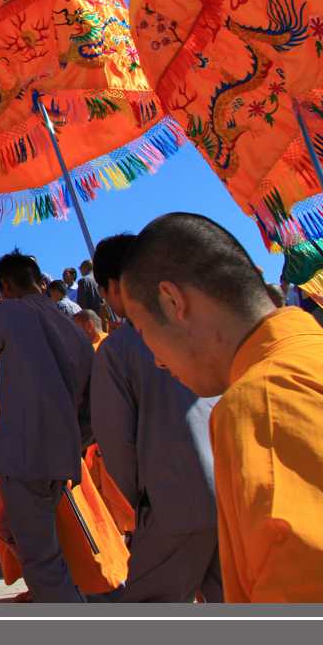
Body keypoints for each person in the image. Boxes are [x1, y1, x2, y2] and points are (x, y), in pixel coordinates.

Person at [120, 213, 323, 603]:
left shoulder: (262, 401)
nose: (156, 360)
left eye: (142, 331)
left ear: (172, 302)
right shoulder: (321, 354)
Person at [0, 251, 95, 602]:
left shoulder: (8, 312)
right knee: (22, 534)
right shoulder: (71, 329)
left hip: (25, 453)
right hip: (61, 454)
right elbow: (92, 403)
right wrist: (74, 442)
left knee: (41, 557)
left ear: (7, 285)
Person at [86, 233, 222, 603]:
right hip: (231, 490)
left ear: (114, 287)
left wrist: (140, 497)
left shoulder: (118, 349)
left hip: (173, 497)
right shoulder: (202, 327)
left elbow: (115, 440)